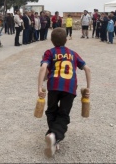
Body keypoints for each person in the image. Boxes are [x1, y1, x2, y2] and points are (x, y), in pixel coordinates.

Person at [37, 28, 91, 157]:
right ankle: (54, 136)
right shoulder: (73, 53)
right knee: (64, 114)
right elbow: (87, 69)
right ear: (66, 40)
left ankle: (52, 135)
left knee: (51, 111)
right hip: (70, 87)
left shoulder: (49, 52)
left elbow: (44, 68)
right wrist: (88, 88)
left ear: (51, 40)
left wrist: (39, 87)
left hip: (54, 85)